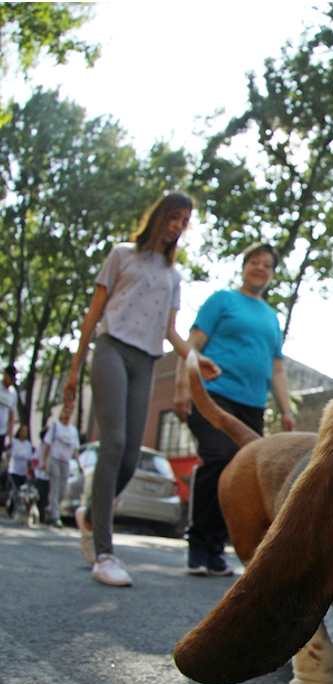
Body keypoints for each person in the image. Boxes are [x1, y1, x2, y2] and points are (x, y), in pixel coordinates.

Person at [64, 191, 220, 588]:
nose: (178, 225)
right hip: (112, 348)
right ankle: (104, 552)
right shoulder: (122, 255)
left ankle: (89, 511)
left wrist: (193, 358)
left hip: (146, 361)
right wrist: (74, 368)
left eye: (185, 221)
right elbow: (94, 313)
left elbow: (169, 331)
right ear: (159, 215)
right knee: (113, 443)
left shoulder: (173, 276)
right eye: (174, 216)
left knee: (131, 457)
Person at [173, 243, 294, 577]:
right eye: (254, 262)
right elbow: (193, 346)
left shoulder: (271, 317)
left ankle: (217, 549)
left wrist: (286, 409)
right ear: (243, 267)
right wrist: (183, 388)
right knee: (220, 457)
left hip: (252, 404)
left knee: (245, 473)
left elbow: (277, 368)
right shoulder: (222, 301)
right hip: (213, 396)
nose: (259, 268)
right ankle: (199, 543)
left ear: (271, 274)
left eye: (266, 265)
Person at [43, 404, 79, 528]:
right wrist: (44, 461)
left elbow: (75, 449)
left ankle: (50, 508)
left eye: (70, 411)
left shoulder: (73, 430)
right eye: (65, 411)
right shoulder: (55, 427)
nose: (67, 414)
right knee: (55, 487)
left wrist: (79, 464)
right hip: (54, 460)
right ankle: (55, 517)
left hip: (66, 462)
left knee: (63, 490)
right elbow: (47, 444)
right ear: (61, 413)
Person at [0, 365, 17, 496]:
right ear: (4, 374)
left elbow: (12, 417)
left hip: (2, 433)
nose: (10, 380)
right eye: (9, 376)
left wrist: (10, 438)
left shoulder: (13, 393)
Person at [33, 425, 51, 524]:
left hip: (49, 476)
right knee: (40, 497)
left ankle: (43, 517)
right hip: (40, 475)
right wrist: (38, 468)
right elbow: (35, 459)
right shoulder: (41, 446)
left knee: (46, 498)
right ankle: (40, 517)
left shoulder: (52, 446)